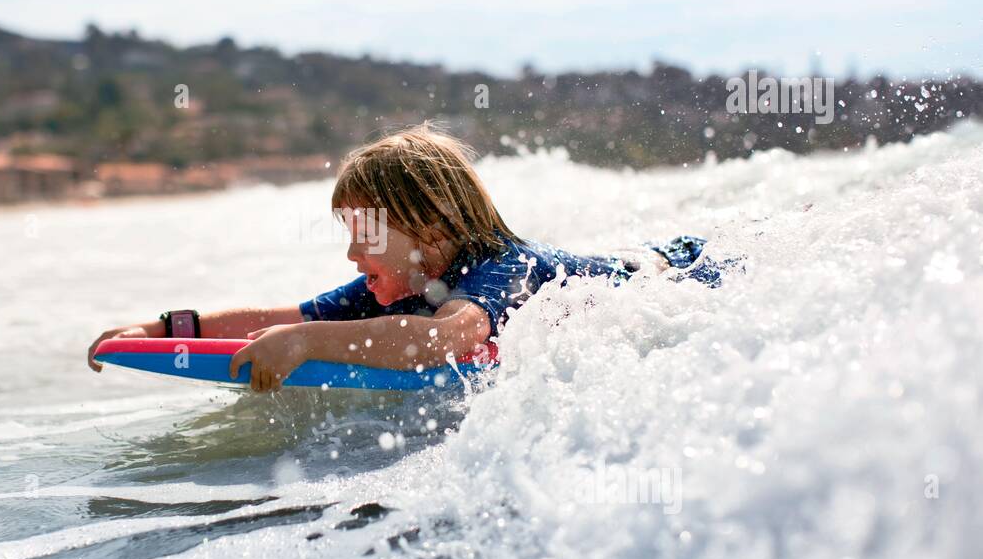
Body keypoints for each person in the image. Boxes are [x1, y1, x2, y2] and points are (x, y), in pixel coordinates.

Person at [87, 124, 735, 391]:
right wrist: (165, 329)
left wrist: (310, 342)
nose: (350, 251)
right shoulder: (394, 287)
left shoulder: (502, 267)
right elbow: (272, 316)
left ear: (427, 228)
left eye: (363, 231)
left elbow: (447, 338)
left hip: (669, 272)